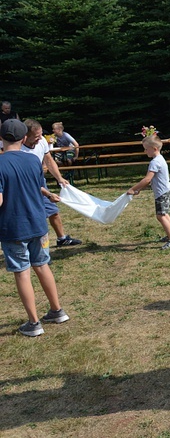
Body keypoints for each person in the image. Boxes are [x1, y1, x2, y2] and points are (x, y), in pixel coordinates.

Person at [0, 119, 71, 337]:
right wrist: (48, 193)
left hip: (14, 228)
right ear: (23, 139)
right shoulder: (32, 160)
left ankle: (34, 323)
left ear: (1, 139)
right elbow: (36, 184)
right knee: (42, 265)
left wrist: (47, 194)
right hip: (39, 224)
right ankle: (57, 311)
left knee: (22, 272)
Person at [20, 119, 82, 246]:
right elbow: (26, 181)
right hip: (26, 186)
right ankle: (35, 247)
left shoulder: (42, 141)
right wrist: (48, 194)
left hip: (40, 182)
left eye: (41, 134)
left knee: (53, 210)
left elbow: (49, 160)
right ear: (25, 136)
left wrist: (59, 178)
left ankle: (62, 239)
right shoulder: (19, 149)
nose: (40, 138)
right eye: (36, 136)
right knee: (34, 216)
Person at [127, 135, 170, 250]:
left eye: (146, 148)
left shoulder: (155, 162)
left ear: (154, 148)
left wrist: (133, 189)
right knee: (164, 214)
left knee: (161, 216)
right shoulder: (159, 159)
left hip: (162, 193)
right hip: (165, 190)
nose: (144, 151)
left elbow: (147, 179)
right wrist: (139, 189)